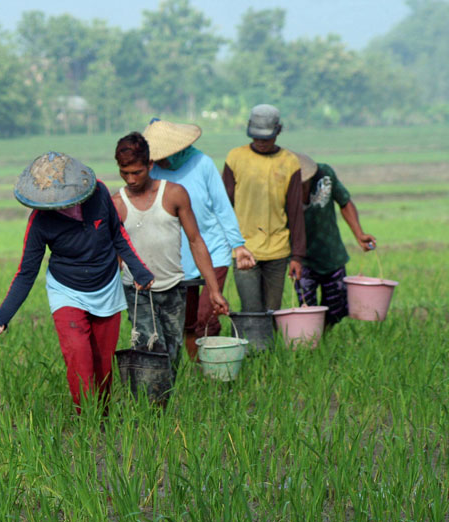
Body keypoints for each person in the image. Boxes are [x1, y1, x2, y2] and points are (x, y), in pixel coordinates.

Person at [0, 151, 154, 414]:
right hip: (67, 291)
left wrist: (139, 270)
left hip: (106, 285)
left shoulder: (98, 193)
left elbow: (118, 234)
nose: (59, 206)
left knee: (103, 365)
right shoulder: (40, 221)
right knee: (78, 357)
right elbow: (26, 273)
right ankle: (86, 418)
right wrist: (1, 318)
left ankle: (103, 418)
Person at [111, 132, 230, 367]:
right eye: (125, 173)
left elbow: (196, 241)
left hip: (174, 288)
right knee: (148, 348)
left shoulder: (174, 194)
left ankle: (164, 400)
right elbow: (114, 254)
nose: (131, 179)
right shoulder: (117, 203)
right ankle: (148, 402)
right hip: (137, 292)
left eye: (137, 172)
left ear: (150, 165)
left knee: (172, 354)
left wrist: (214, 290)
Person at [142, 119, 255, 359]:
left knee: (207, 315)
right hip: (178, 256)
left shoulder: (201, 163)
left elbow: (222, 205)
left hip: (213, 249)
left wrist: (239, 245)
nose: (162, 160)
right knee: (188, 320)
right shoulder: (152, 171)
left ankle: (217, 368)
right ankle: (196, 372)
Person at [222, 104, 306, 312]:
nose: (260, 142)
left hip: (277, 250)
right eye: (256, 137)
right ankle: (250, 345)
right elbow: (224, 206)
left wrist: (297, 256)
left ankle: (270, 346)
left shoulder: (289, 162)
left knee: (272, 311)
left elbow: (295, 211)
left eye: (266, 138)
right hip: (243, 248)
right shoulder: (235, 158)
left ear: (278, 131)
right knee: (251, 310)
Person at [292, 152, 376, 325]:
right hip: (301, 260)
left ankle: (324, 337)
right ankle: (311, 343)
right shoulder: (279, 192)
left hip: (332, 254)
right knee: (307, 308)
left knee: (336, 308)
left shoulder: (325, 176)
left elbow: (344, 202)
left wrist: (359, 234)